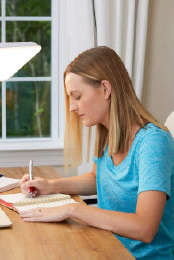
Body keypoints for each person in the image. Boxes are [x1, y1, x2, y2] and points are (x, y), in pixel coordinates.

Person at [19, 46, 174, 260]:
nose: (72, 107)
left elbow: (145, 228)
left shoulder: (153, 143)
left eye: (77, 96)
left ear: (105, 89)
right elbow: (97, 177)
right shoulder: (109, 133)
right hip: (104, 247)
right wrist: (51, 186)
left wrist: (74, 210)